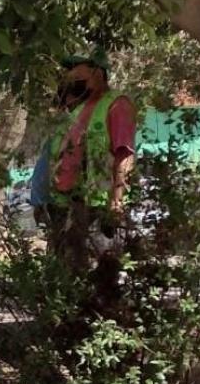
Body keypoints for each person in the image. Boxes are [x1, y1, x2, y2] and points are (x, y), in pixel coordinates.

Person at [43, 52, 137, 274]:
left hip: (96, 205)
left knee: (94, 273)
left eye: (78, 67)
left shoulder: (117, 104)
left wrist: (117, 200)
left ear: (98, 72)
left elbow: (124, 153)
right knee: (62, 273)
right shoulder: (76, 108)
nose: (72, 74)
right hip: (64, 203)